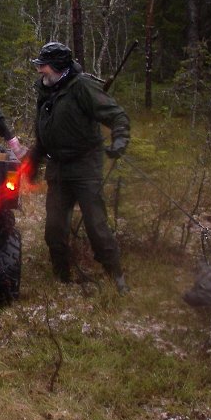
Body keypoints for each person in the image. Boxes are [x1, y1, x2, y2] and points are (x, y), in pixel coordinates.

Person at [26, 41, 130, 293]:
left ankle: (115, 276)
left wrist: (119, 141)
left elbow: (117, 115)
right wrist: (32, 164)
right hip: (58, 168)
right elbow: (43, 136)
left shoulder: (82, 86)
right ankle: (62, 276)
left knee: (96, 225)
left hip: (85, 166)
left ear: (59, 67)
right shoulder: (46, 93)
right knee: (54, 228)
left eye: (44, 65)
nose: (40, 70)